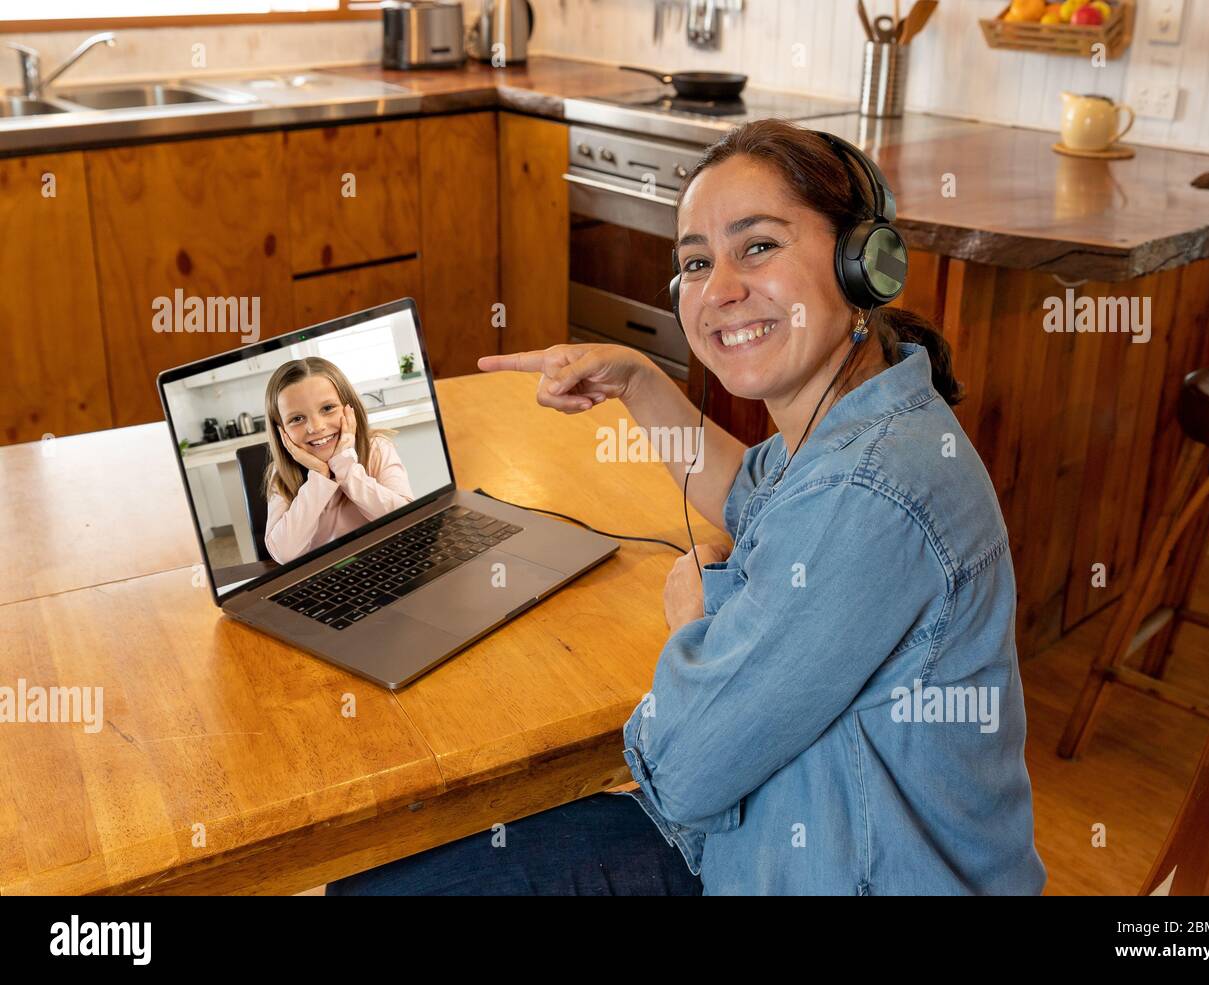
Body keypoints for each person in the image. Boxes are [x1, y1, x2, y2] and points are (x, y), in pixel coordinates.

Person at [327, 119, 1046, 895]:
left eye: (758, 246)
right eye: (697, 263)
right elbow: (747, 490)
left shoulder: (867, 491)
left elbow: (686, 767)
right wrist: (637, 380)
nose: (722, 289)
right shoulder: (868, 417)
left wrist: (695, 620)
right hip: (787, 824)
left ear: (863, 263)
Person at [262, 356, 414, 564]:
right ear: (282, 431)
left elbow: (408, 521)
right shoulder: (281, 473)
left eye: (327, 408)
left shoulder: (377, 448)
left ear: (349, 408)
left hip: (385, 564)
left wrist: (345, 467)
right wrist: (319, 477)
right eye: (297, 419)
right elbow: (283, 554)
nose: (316, 427)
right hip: (324, 581)